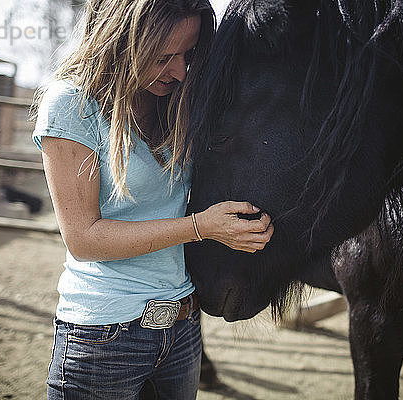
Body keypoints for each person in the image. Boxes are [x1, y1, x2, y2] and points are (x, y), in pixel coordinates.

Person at [30, 0, 274, 399]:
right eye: (163, 57)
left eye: (188, 55)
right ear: (123, 41)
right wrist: (201, 227)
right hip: (105, 337)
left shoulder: (174, 102)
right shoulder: (73, 105)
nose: (179, 71)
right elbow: (84, 239)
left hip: (182, 327)